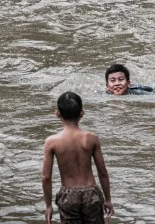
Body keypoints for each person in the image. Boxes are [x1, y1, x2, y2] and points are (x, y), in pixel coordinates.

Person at [42, 92, 114, 223]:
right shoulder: (91, 138)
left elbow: (46, 177)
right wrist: (108, 200)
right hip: (91, 194)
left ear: (57, 113)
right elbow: (102, 172)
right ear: (82, 113)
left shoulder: (52, 142)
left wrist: (48, 205)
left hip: (68, 196)